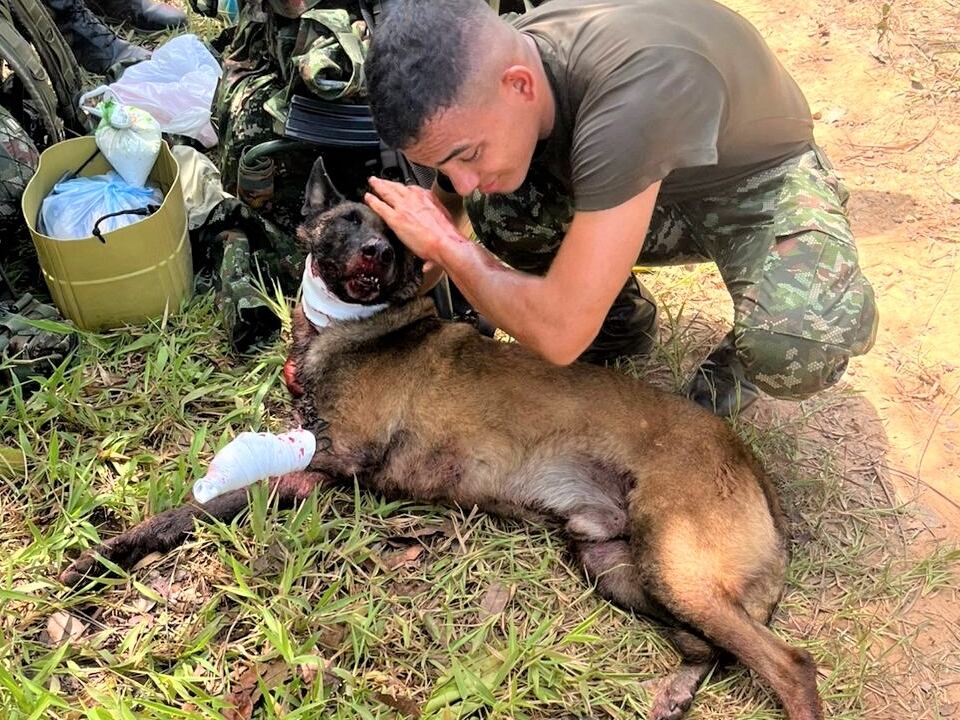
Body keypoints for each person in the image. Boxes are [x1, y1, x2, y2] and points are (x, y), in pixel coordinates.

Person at [361, 0, 878, 417]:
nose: (462, 181)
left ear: (519, 85)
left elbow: (559, 337)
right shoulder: (491, 74)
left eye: (468, 155)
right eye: (443, 167)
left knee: (794, 343)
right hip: (646, 179)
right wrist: (420, 248)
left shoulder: (631, 97)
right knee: (502, 211)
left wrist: (451, 248)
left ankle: (792, 320)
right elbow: (448, 204)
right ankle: (616, 320)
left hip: (754, 183)